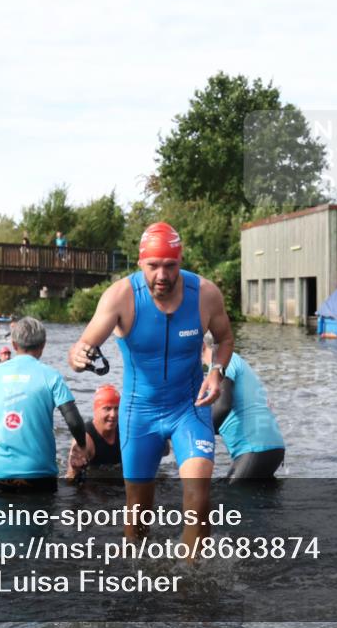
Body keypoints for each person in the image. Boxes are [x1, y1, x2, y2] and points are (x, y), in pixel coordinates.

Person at [67, 222, 234, 544]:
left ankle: (191, 583)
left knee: (198, 499)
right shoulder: (120, 297)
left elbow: (225, 339)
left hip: (190, 407)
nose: (162, 275)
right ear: (140, 262)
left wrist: (216, 371)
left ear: (180, 261)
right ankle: (139, 581)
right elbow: (84, 343)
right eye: (153, 266)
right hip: (139, 412)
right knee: (138, 514)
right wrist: (77, 356)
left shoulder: (205, 294)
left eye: (170, 266)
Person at [0, 317, 88, 493]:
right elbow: (74, 422)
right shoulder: (51, 376)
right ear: (43, 345)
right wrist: (82, 446)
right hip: (39, 472)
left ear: (14, 345)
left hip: (0, 471)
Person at [201, 333, 286, 481]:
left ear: (200, 346)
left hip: (254, 449)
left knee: (232, 500)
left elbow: (223, 406)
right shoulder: (233, 361)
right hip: (271, 447)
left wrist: (199, 432)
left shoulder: (221, 362)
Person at [66, 384, 123, 480]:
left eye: (116, 408)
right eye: (107, 409)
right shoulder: (84, 439)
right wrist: (75, 469)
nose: (113, 414)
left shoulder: (125, 430)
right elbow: (70, 479)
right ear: (96, 410)